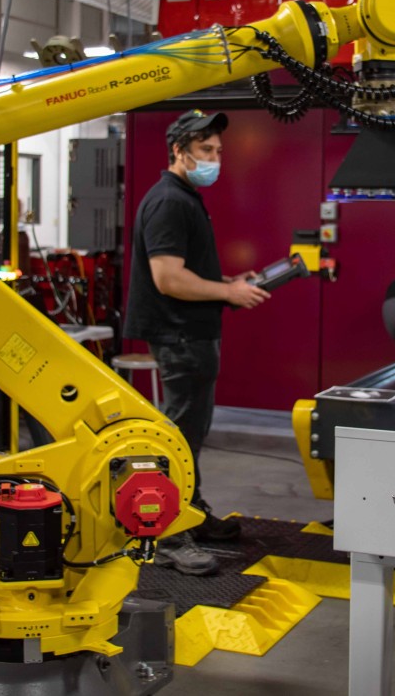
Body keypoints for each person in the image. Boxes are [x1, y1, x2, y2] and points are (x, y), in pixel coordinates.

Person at [122, 109, 270, 575]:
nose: (215, 159)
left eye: (218, 151)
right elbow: (168, 279)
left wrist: (226, 281)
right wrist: (228, 292)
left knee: (190, 435)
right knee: (177, 438)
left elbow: (185, 273)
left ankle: (193, 511)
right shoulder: (170, 200)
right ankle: (167, 534)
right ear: (179, 151)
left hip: (192, 331)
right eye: (205, 150)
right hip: (180, 332)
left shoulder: (183, 196)